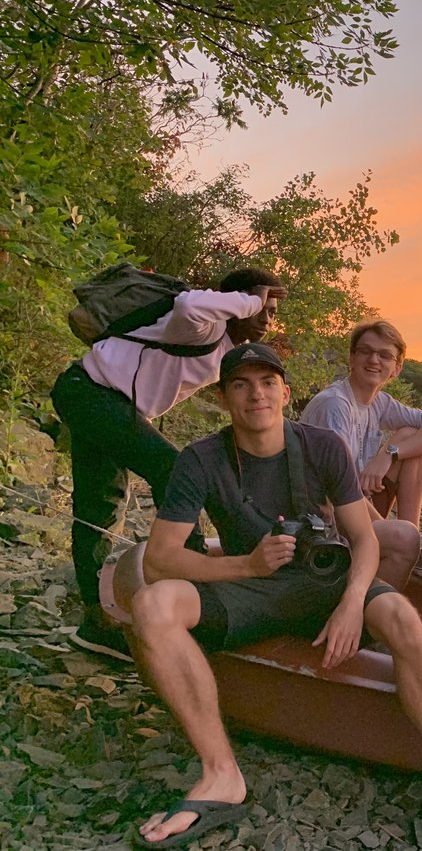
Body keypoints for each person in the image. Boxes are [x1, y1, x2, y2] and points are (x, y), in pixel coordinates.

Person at [126, 343, 422, 850]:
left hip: (326, 582)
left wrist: (352, 602)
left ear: (285, 392)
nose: (256, 393)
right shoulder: (202, 459)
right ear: (222, 399)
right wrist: (246, 565)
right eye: (240, 384)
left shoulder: (322, 446)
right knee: (153, 604)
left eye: (266, 382)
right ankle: (221, 775)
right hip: (249, 584)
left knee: (403, 618)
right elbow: (159, 559)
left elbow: (365, 538)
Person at [51, 266, 287, 661]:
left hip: (98, 399)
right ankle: (191, 577)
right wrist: (248, 298)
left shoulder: (224, 349)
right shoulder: (202, 327)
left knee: (99, 505)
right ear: (236, 304)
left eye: (272, 310)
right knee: (174, 468)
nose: (267, 317)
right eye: (262, 305)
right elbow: (189, 303)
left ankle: (97, 622)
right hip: (91, 394)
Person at [301, 320, 422, 588]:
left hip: (352, 499)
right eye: (365, 351)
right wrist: (392, 532)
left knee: (409, 438)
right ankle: (371, 606)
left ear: (397, 368)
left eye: (384, 355)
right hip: (323, 516)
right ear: (352, 357)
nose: (374, 360)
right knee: (403, 537)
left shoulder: (379, 402)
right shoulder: (336, 404)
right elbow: (338, 489)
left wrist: (387, 455)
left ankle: (409, 540)